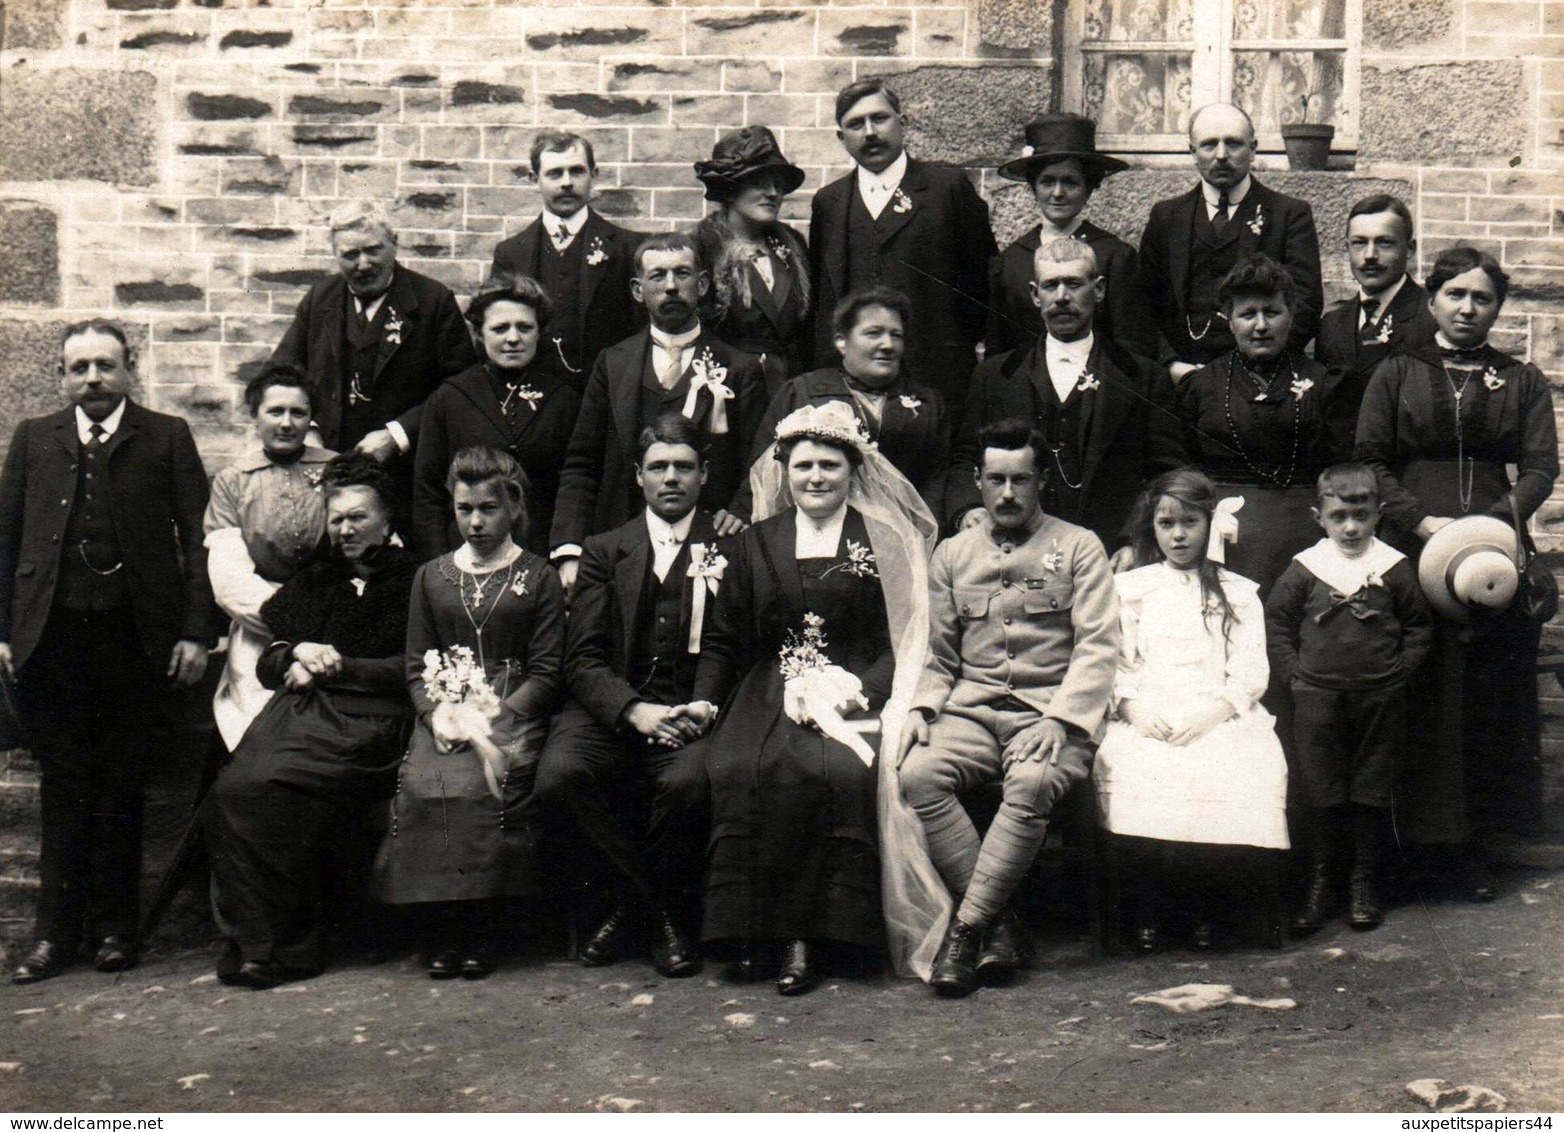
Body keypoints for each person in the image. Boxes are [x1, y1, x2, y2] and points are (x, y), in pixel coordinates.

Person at [691, 401, 935, 995]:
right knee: (738, 765)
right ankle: (752, 934)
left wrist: (858, 689)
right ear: (784, 471)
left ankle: (816, 937)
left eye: (830, 465)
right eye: (803, 466)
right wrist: (704, 701)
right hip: (768, 688)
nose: (816, 478)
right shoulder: (755, 543)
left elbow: (903, 637)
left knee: (835, 772)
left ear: (854, 470)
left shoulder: (881, 540)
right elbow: (725, 637)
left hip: (856, 692)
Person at [2, 320, 217, 984]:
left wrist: (193, 631)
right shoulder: (36, 439)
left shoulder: (166, 436)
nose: (92, 378)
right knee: (63, 784)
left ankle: (116, 930)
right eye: (78, 367)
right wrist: (5, 631)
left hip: (134, 638)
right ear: (61, 377)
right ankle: (52, 935)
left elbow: (201, 539)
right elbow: (4, 540)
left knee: (124, 781)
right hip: (54, 638)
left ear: (129, 368)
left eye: (104, 365)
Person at [1354, 246, 1558, 893]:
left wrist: (1497, 526)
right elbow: (1371, 462)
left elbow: (1540, 467)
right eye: (1455, 295)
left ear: (1497, 307)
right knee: (1417, 685)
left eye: (1482, 298)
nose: (1468, 308)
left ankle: (1474, 846)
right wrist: (1419, 522)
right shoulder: (1395, 372)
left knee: (1484, 693)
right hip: (1413, 540)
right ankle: (1403, 850)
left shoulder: (1521, 380)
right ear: (1433, 300)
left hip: (1493, 548)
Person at [899, 419, 1118, 997]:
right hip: (971, 711)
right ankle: (1002, 923)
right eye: (994, 479)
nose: (1007, 494)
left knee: (1032, 783)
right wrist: (922, 708)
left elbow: (1098, 646)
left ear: (1041, 480)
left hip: (1050, 712)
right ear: (976, 480)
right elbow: (938, 654)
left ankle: (967, 930)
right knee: (918, 775)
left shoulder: (1079, 546)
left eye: (1020, 479)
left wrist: (1061, 721)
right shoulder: (951, 554)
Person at [205, 453, 418, 989]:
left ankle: (290, 946)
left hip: (372, 721)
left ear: (387, 520)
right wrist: (297, 653)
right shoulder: (318, 578)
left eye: (358, 517)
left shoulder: (416, 580)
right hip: (302, 715)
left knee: (272, 785)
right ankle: (258, 942)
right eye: (337, 518)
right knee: (234, 787)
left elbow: (414, 667)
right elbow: (269, 659)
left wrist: (340, 665)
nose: (345, 529)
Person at [533, 413, 723, 978]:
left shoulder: (731, 544)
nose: (671, 478)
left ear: (704, 475)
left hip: (686, 707)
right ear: (638, 476)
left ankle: (631, 914)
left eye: (683, 467)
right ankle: (655, 913)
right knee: (560, 775)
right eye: (658, 467)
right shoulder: (603, 549)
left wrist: (703, 703)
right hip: (611, 710)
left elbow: (727, 642)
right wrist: (632, 710)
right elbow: (581, 657)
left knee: (688, 782)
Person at [372, 448, 565, 979]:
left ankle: (484, 927)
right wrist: (435, 714)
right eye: (464, 509)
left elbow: (548, 671)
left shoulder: (539, 576)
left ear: (513, 509)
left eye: (488, 508)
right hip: (447, 709)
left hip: (512, 709)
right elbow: (415, 665)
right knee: (426, 783)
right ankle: (442, 927)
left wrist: (500, 713)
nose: (476, 522)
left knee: (483, 787)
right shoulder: (431, 577)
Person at [1093, 469, 1290, 953]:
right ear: (1152, 528)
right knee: (1138, 764)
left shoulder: (1238, 592)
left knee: (1237, 763)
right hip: (1151, 708)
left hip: (1216, 711)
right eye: (1166, 524)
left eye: (1189, 523)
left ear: (1209, 524)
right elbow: (1118, 660)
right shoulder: (1131, 589)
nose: (1178, 535)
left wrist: (1217, 711)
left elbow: (1249, 668)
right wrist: (1133, 707)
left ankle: (1206, 905)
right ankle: (1150, 907)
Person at [1265, 464, 1433, 935]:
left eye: (1361, 515)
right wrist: (1293, 673)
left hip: (1379, 695)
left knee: (1371, 787)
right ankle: (1320, 886)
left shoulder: (1394, 567)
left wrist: (1400, 672)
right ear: (1320, 517)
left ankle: (1364, 883)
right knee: (1321, 788)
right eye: (1339, 517)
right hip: (1317, 695)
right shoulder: (1307, 568)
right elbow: (1277, 622)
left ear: (1379, 514)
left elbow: (1419, 625)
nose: (1351, 528)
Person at [550, 232, 764, 588]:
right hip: (621, 544)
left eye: (682, 274)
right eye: (658, 275)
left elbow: (760, 462)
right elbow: (582, 462)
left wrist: (741, 511)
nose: (671, 286)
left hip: (707, 550)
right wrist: (569, 549)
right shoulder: (612, 364)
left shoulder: (739, 368)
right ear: (637, 289)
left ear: (703, 284)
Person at [948, 239, 1182, 553]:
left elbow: (1167, 475)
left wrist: (1135, 542)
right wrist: (970, 508)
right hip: (1014, 550)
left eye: (1073, 284)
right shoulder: (995, 376)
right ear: (1034, 294)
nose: (1061, 297)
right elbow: (966, 458)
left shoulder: (1144, 377)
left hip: (1112, 551)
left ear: (1098, 290)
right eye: (1050, 285)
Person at [270, 200, 476, 519]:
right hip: (329, 474)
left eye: (373, 249)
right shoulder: (319, 300)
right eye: (350, 254)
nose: (363, 263)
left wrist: (397, 434)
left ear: (394, 244)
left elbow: (462, 389)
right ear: (336, 255)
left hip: (406, 475)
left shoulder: (433, 302)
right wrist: (308, 429)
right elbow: (282, 374)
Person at [809, 77, 996, 411]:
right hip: (851, 386)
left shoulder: (946, 189)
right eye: (855, 124)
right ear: (842, 138)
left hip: (936, 381)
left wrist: (950, 348)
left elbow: (982, 286)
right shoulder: (830, 203)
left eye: (878, 118)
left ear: (902, 122)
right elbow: (824, 298)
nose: (869, 132)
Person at [1173, 254, 1351, 598]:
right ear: (1229, 319)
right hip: (1226, 537)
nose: (1260, 326)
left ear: (1291, 313)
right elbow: (1182, 468)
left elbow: (1342, 466)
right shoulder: (1203, 385)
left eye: (1271, 312)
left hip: (1307, 534)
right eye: (1247, 314)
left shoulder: (1323, 382)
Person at [205, 364, 336, 751]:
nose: (286, 423)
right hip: (262, 625)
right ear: (255, 416)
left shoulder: (336, 468)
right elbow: (230, 581)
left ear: (311, 417)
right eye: (274, 412)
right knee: (257, 728)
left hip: (334, 620)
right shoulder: (234, 480)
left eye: (298, 412)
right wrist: (292, 628)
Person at [1139, 104, 1323, 380]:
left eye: (1233, 144)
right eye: (1209, 145)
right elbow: (1142, 304)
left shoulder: (1289, 215)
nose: (1221, 155)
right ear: (1193, 152)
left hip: (1261, 377)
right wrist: (1172, 365)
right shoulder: (1166, 217)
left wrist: (1253, 366)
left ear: (1253, 149)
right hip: (1181, 379)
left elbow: (1305, 304)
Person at [740, 287, 949, 522]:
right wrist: (740, 513)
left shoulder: (928, 403)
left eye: (896, 335)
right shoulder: (801, 392)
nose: (888, 344)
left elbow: (936, 481)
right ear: (841, 341)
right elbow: (762, 470)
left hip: (902, 536)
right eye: (873, 333)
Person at [413, 273, 581, 560]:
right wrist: (440, 565)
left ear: (539, 332)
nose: (513, 338)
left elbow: (575, 483)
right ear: (480, 334)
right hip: (465, 554)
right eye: (500, 328)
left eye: (525, 328)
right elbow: (427, 490)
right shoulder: (451, 397)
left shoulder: (563, 399)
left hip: (539, 554)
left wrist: (562, 554)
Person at [987, 112, 1155, 361]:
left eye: (1070, 182)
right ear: (1033, 187)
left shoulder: (1115, 257)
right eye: (1047, 182)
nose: (1057, 193)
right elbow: (999, 351)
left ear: (1088, 187)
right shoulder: (1011, 261)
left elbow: (1133, 347)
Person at [491, 131, 640, 385]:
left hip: (604, 396)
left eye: (577, 171)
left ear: (594, 174)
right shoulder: (510, 253)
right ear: (533, 178)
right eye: (555, 173)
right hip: (534, 397)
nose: (567, 182)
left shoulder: (627, 249)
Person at [694, 126, 812, 397]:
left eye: (778, 185)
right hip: (730, 390)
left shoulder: (793, 248)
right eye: (759, 182)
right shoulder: (703, 249)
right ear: (730, 189)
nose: (773, 193)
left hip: (791, 389)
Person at [1314, 195, 1437, 429]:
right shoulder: (1331, 324)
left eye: (1384, 242)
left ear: (1410, 248)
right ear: (1347, 249)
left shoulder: (1431, 316)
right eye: (1359, 243)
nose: (1370, 255)